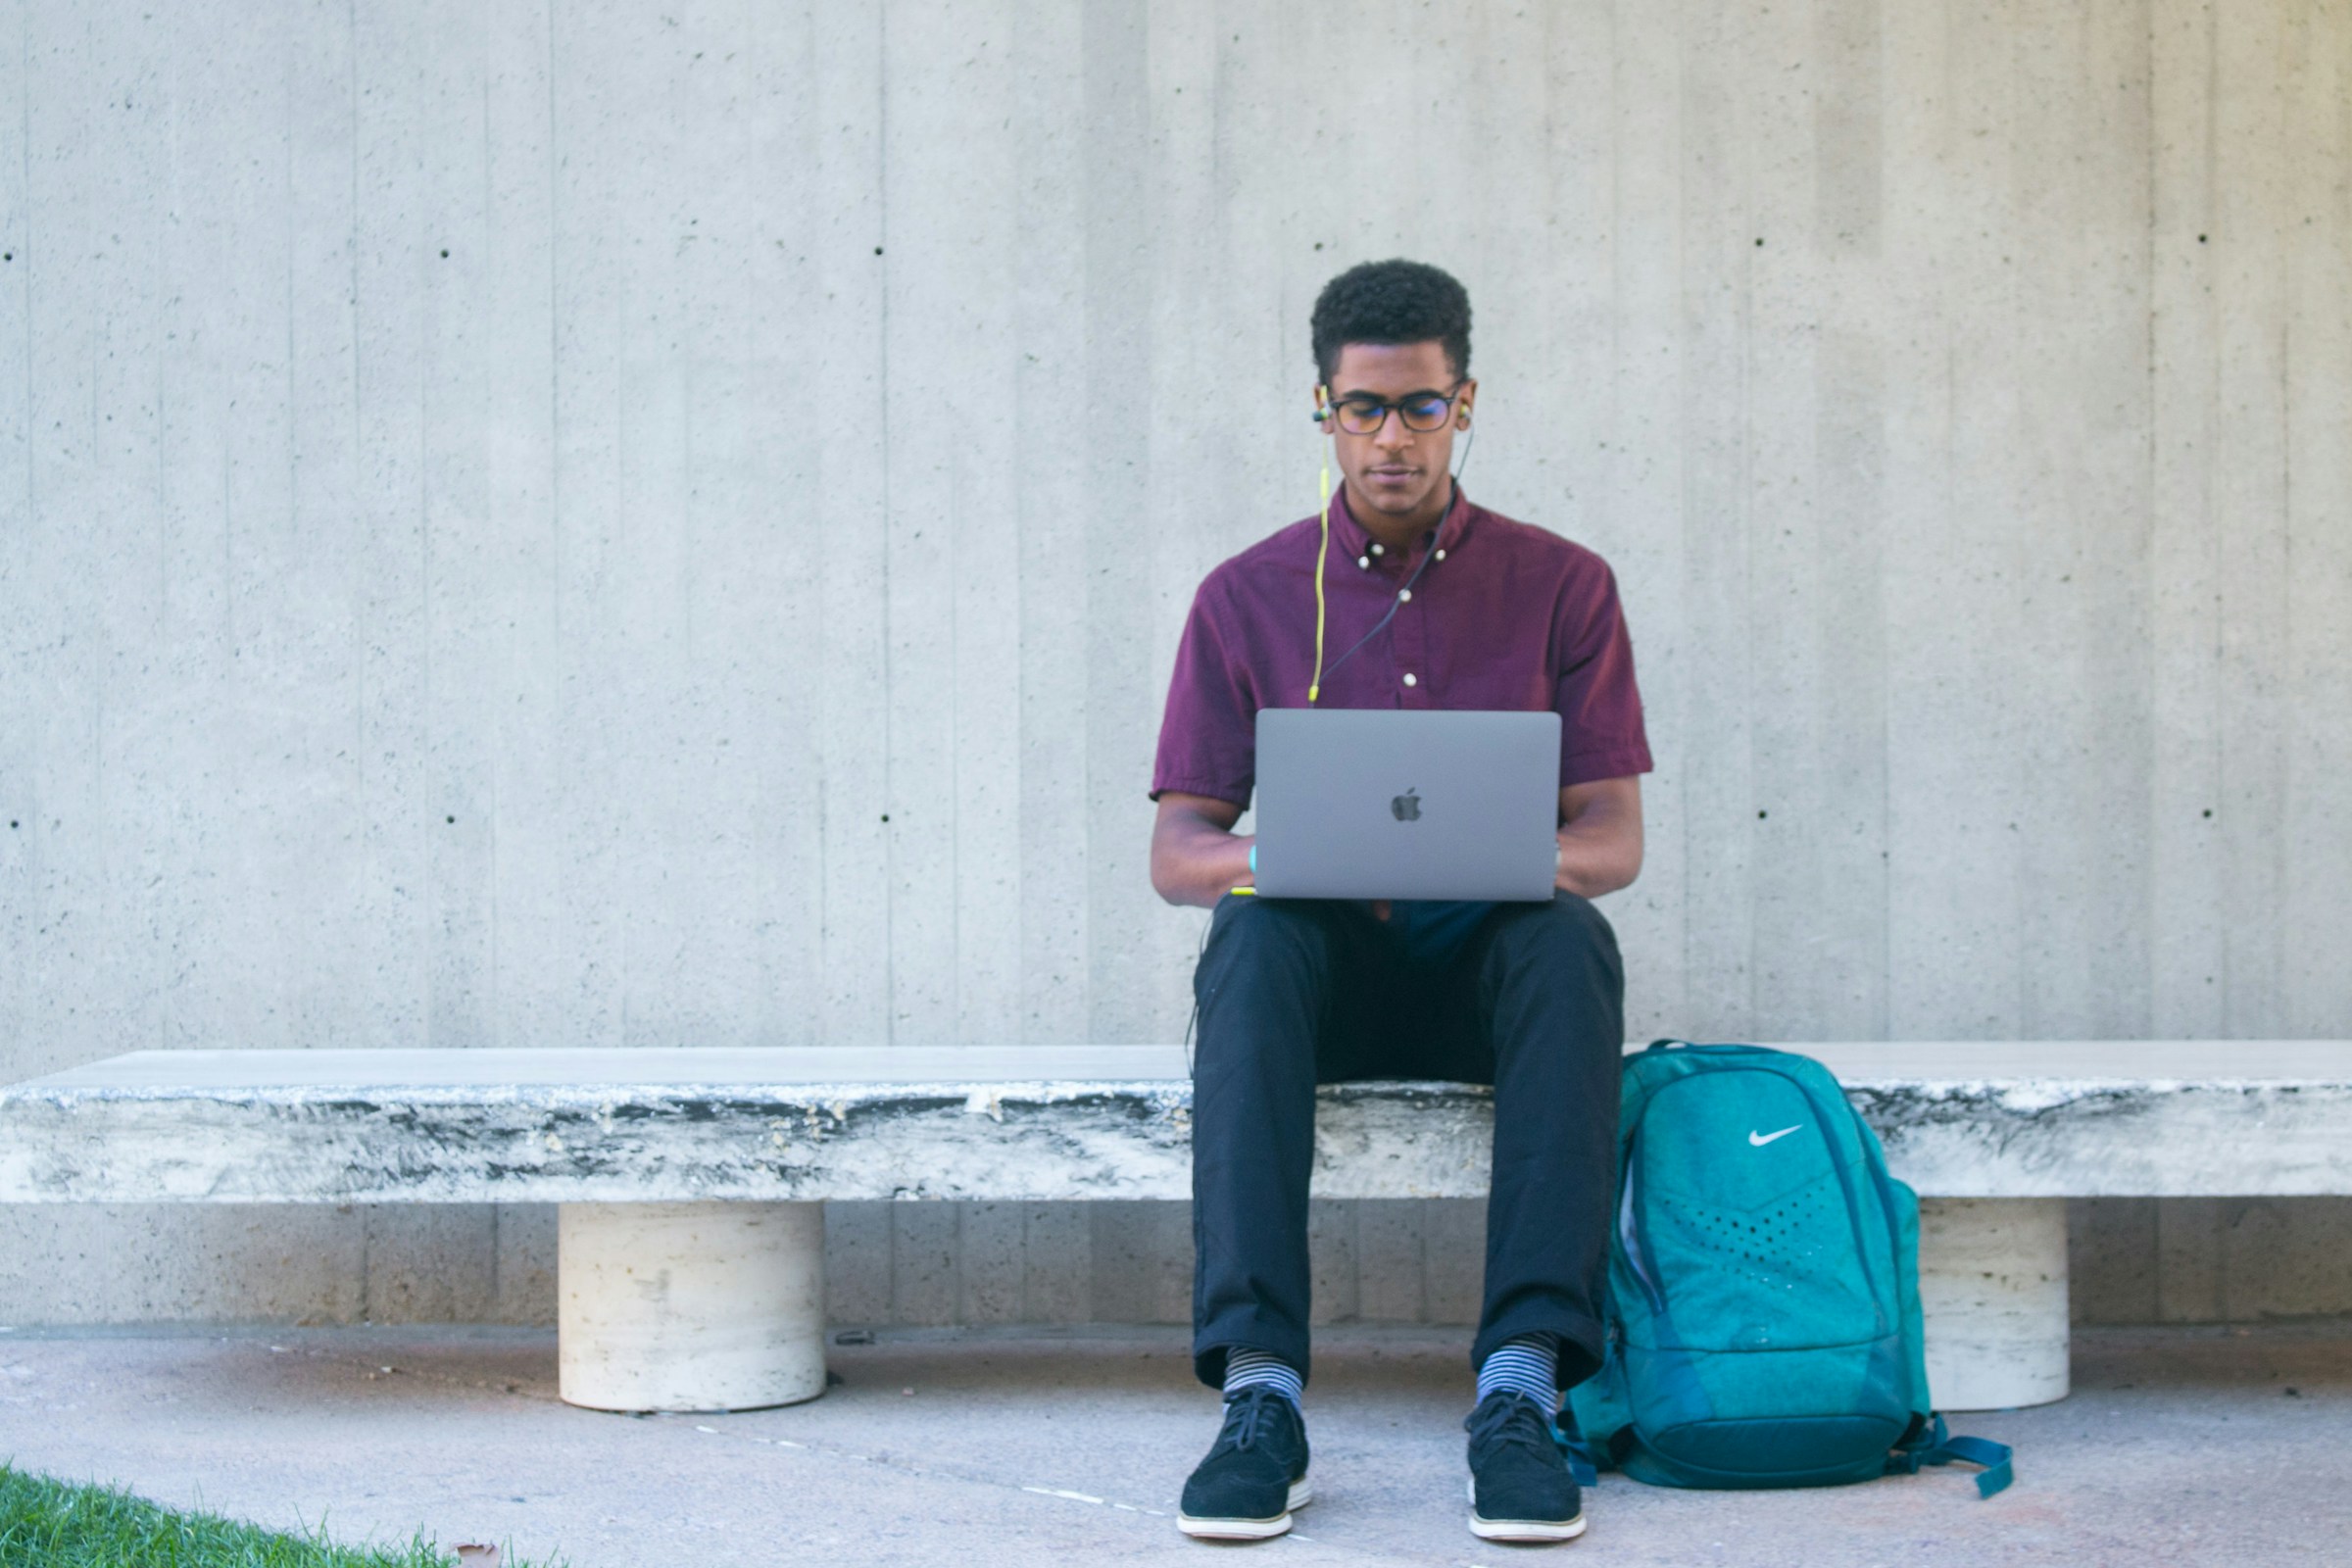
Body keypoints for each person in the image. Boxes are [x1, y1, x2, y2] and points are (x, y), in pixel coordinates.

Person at [1148, 259, 1651, 1544]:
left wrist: (1483, 858)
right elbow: (1180, 853)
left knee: (1568, 940)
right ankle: (1261, 1397)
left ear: (1465, 403)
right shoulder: (1244, 596)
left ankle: (1520, 1392)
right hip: (1335, 986)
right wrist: (1308, 857)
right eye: (1363, 409)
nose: (1391, 438)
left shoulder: (1564, 584)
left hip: (1489, 977)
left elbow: (1611, 841)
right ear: (1322, 410)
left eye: (1420, 408)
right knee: (1251, 933)